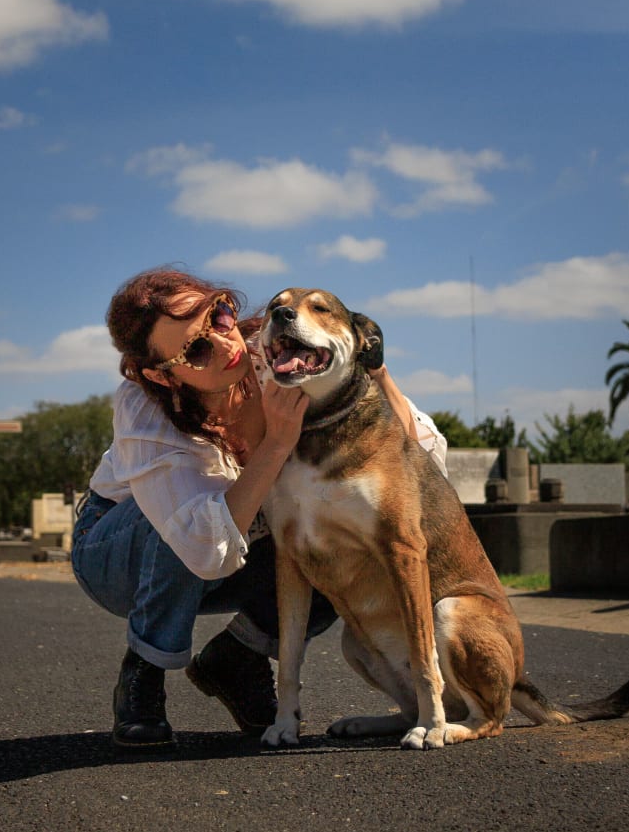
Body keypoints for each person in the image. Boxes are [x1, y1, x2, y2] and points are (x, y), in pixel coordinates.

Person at [71, 267, 447, 747]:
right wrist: (276, 446)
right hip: (115, 554)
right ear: (158, 374)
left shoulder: (281, 350)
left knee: (335, 543)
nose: (225, 345)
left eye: (220, 315)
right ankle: (145, 670)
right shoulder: (143, 408)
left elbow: (426, 461)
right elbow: (201, 547)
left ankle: (238, 655)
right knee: (187, 512)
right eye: (196, 350)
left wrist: (374, 368)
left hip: (239, 538)